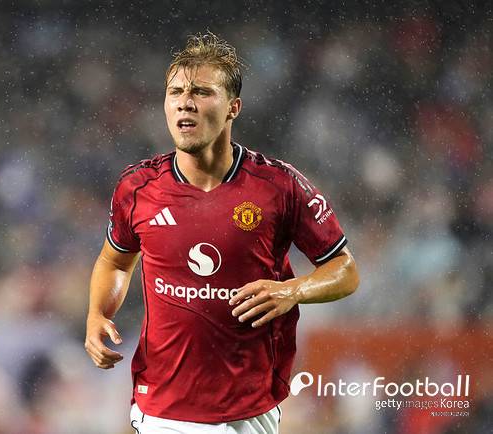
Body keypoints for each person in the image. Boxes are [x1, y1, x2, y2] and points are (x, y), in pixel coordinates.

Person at [84, 31, 359, 434]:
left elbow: (345, 270)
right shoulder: (138, 187)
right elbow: (115, 261)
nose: (185, 102)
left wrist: (293, 291)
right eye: (175, 92)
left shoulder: (279, 186)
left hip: (250, 407)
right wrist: (97, 314)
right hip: (163, 409)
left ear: (233, 107)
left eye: (201, 92)